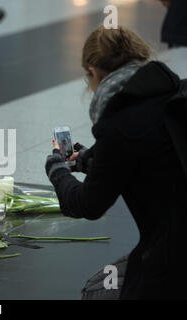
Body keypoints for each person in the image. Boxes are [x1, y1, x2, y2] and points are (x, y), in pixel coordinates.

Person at [44, 25, 187, 299]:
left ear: (92, 72)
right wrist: (90, 159)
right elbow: (151, 152)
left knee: (96, 292)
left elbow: (89, 204)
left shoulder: (118, 124)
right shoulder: (173, 91)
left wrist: (57, 171)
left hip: (173, 258)